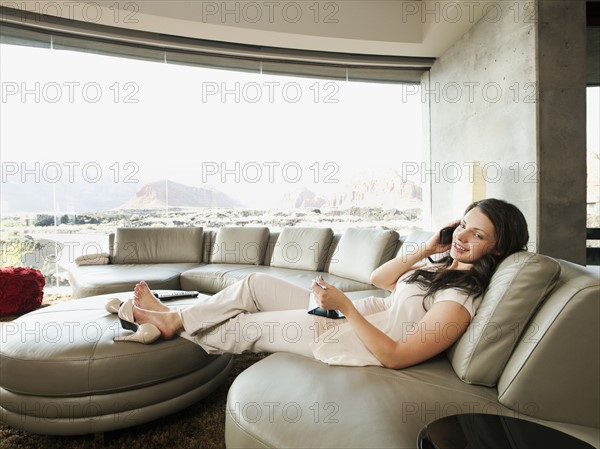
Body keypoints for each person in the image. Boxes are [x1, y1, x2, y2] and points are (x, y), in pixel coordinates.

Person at [122, 198, 529, 369]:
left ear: (496, 249)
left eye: (478, 235)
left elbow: (397, 355)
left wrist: (346, 306)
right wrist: (428, 248)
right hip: (347, 318)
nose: (463, 236)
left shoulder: (459, 299)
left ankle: (170, 321)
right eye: (464, 225)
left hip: (353, 341)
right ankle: (175, 317)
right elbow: (379, 279)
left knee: (243, 326)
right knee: (253, 285)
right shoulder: (443, 268)